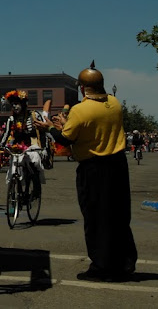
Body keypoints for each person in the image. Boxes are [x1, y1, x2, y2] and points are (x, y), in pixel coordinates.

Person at [35, 61, 137, 282]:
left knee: (96, 217)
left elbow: (66, 138)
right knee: (119, 216)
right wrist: (68, 124)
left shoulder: (80, 110)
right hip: (118, 164)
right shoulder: (115, 103)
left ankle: (101, 267)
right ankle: (125, 262)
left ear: (82, 88)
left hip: (94, 167)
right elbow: (95, 128)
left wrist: (52, 128)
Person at [0, 90, 49, 189]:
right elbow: (6, 133)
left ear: (23, 104)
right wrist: (0, 144)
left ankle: (35, 187)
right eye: (12, 104)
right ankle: (15, 191)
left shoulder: (34, 116)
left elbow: (42, 132)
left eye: (16, 104)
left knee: (34, 162)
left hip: (32, 145)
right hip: (17, 147)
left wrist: (44, 148)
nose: (14, 107)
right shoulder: (11, 119)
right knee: (13, 168)